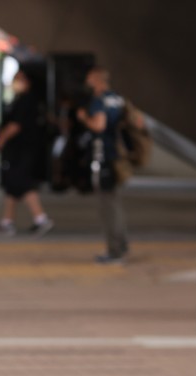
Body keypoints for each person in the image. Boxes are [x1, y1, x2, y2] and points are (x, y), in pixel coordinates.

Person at [77, 67, 132, 264]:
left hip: (103, 156)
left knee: (108, 205)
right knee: (114, 202)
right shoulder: (117, 98)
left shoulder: (99, 100)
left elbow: (99, 125)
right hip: (117, 155)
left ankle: (115, 250)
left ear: (96, 80)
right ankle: (121, 245)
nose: (87, 81)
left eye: (89, 78)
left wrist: (84, 118)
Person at [0, 70, 54, 237]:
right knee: (12, 185)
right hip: (19, 151)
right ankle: (7, 222)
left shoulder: (26, 101)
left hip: (22, 150)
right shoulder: (23, 100)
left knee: (23, 183)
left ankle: (41, 219)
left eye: (18, 79)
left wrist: (2, 139)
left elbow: (16, 125)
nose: (14, 82)